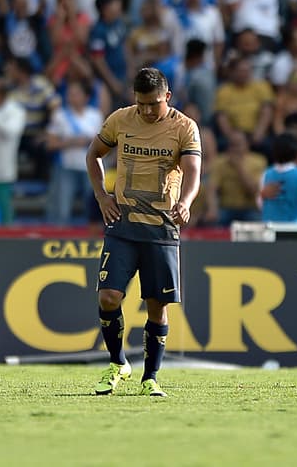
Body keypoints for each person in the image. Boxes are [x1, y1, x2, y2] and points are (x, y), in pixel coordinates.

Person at [86, 67, 202, 397]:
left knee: (156, 306)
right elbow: (93, 155)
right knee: (108, 297)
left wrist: (186, 201)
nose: (148, 111)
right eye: (141, 104)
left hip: (161, 229)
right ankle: (118, 362)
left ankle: (150, 376)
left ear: (167, 97)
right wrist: (102, 196)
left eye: (154, 104)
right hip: (122, 226)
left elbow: (194, 170)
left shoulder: (184, 127)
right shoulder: (121, 119)